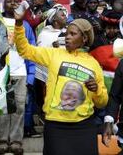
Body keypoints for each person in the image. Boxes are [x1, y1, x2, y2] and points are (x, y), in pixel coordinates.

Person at [14, 13, 108, 155]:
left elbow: (102, 102)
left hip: (84, 126)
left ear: (84, 38)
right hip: (56, 126)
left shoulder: (94, 64)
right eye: (66, 33)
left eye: (72, 34)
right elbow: (24, 50)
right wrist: (19, 25)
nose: (67, 36)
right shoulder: (55, 54)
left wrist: (97, 90)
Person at [0, 0, 37, 155]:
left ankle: (16, 141)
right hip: (0, 72)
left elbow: (32, 51)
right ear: (3, 6)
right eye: (9, 1)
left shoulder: (25, 25)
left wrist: (31, 75)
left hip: (20, 72)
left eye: (16, 2)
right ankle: (2, 141)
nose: (13, 4)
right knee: (1, 108)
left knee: (19, 107)